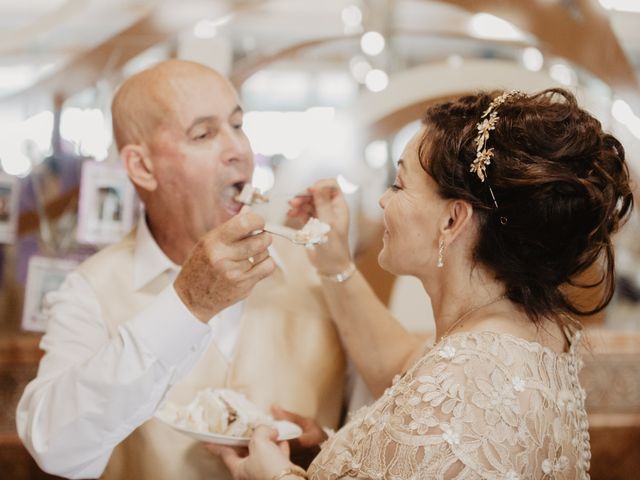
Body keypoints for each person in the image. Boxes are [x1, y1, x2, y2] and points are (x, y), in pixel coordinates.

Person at [210, 88, 633, 479]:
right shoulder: (519, 334)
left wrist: (274, 476)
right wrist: (331, 448)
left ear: (452, 220)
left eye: (398, 184)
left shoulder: (471, 376)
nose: (382, 200)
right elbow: (402, 375)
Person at [16, 60, 346, 480]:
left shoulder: (319, 268)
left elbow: (381, 416)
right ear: (142, 167)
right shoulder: (89, 291)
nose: (239, 150)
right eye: (205, 134)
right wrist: (186, 303)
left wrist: (325, 447)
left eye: (238, 125)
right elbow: (55, 447)